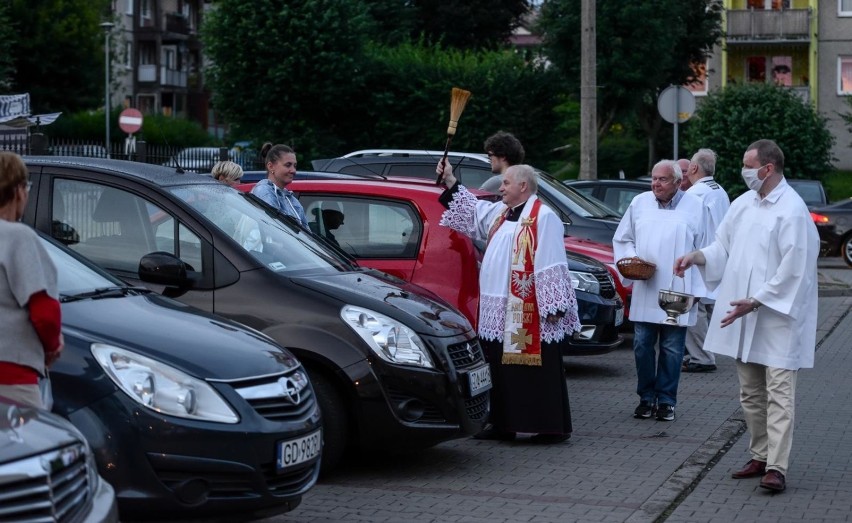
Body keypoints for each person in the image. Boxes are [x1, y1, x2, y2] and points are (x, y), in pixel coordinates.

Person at [675, 139, 819, 493]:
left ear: (767, 169)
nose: (743, 171)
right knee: (751, 394)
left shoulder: (792, 210)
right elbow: (722, 246)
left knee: (779, 394)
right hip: (745, 317)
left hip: (778, 319)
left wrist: (757, 301)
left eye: (747, 164)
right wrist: (696, 256)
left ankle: (777, 467)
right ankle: (759, 454)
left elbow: (795, 269)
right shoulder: (743, 204)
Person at [436, 160, 580, 443]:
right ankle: (504, 424)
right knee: (501, 367)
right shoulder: (502, 213)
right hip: (498, 306)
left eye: (505, 183)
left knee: (533, 370)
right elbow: (473, 213)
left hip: (529, 309)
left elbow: (552, 259)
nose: (499, 188)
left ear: (523, 186)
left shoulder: (543, 216)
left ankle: (548, 427)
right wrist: (450, 180)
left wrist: (554, 305)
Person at [613, 160, 706, 422]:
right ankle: (646, 397)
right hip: (646, 285)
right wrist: (632, 261)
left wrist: (698, 289)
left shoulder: (695, 207)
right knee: (642, 345)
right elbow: (623, 238)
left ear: (678, 182)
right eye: (653, 178)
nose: (655, 183)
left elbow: (707, 248)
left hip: (679, 287)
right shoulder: (639, 203)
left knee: (673, 348)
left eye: (662, 179)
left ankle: (666, 401)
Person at [0, 152, 63, 408]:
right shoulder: (18, 237)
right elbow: (44, 311)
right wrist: (52, 346)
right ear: (18, 191)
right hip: (13, 379)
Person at [682, 149, 730, 373]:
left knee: (695, 309)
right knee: (708, 307)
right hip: (718, 255)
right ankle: (706, 351)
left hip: (700, 256)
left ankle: (701, 357)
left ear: (693, 168)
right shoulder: (719, 190)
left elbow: (689, 229)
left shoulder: (695, 193)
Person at [250, 143, 309, 227]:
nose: (293, 170)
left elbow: (307, 234)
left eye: (295, 166)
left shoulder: (291, 199)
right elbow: (273, 230)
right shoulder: (264, 192)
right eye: (288, 165)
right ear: (270, 166)